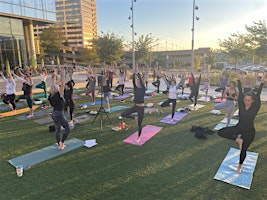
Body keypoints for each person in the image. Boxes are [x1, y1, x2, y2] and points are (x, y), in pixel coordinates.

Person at [217, 72, 265, 173]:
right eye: (245, 100)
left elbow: (259, 92)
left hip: (250, 132)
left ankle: (240, 166)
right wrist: (239, 79)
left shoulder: (255, 107)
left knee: (243, 150)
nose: (246, 101)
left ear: (252, 101)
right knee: (220, 132)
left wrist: (263, 80)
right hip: (239, 128)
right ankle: (238, 140)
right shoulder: (242, 105)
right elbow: (241, 91)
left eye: (249, 100)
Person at [120, 64, 145, 142]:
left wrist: (137, 73)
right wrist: (134, 73)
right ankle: (134, 117)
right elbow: (134, 80)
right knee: (123, 114)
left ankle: (139, 137)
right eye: (137, 82)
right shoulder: (136, 88)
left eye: (139, 82)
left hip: (141, 108)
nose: (138, 83)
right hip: (135, 106)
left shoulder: (143, 89)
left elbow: (140, 80)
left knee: (139, 124)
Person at [48, 68, 71, 150]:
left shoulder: (50, 96)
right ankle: (62, 143)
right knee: (68, 129)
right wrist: (63, 75)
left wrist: (54, 76)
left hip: (54, 114)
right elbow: (63, 84)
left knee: (57, 130)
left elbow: (53, 85)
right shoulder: (59, 94)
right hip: (59, 114)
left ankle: (59, 144)